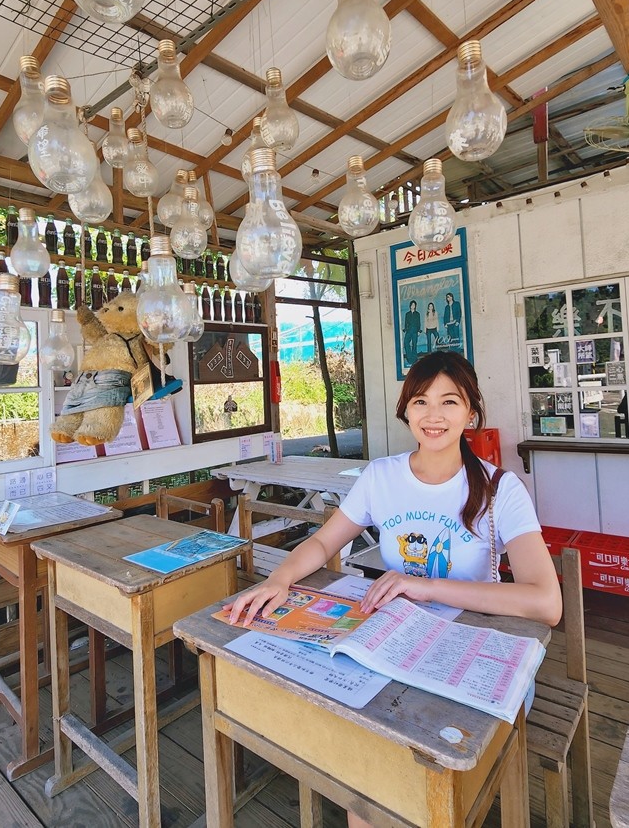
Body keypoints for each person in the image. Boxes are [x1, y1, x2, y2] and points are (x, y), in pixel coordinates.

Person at [225, 352, 562, 827]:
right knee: (367, 772)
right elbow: (324, 541)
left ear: (472, 412)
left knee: (405, 777)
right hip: (394, 645)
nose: (434, 415)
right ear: (406, 411)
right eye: (420, 401)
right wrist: (280, 579)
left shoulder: (500, 490)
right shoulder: (381, 477)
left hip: (475, 657)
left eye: (450, 401)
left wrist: (424, 586)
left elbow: (546, 602)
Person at [402, 300, 420, 366]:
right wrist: (405, 329)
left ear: (415, 306)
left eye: (414, 305)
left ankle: (414, 359)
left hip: (415, 331)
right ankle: (409, 358)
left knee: (414, 344)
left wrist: (419, 331)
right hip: (409, 331)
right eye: (412, 305)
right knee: (406, 342)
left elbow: (419, 323)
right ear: (410, 306)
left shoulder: (417, 314)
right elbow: (406, 323)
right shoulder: (407, 314)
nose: (413, 306)